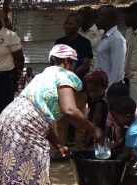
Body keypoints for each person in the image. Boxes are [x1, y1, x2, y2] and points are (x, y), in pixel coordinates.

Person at [0, 44, 103, 185]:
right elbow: (69, 111)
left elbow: (44, 115)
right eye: (72, 64)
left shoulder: (42, 76)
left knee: (28, 170)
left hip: (10, 117)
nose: (73, 68)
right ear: (67, 62)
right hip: (25, 124)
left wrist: (58, 143)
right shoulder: (64, 76)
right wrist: (94, 129)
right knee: (34, 172)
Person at [55, 12, 93, 148]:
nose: (67, 26)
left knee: (79, 118)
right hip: (61, 86)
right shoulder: (59, 42)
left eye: (70, 23)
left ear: (78, 26)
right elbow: (54, 63)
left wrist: (70, 77)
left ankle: (78, 149)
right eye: (66, 23)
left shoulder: (84, 43)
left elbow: (86, 65)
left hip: (78, 87)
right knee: (61, 120)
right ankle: (62, 148)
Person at [95, 5, 127, 85]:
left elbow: (117, 70)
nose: (95, 21)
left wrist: (108, 91)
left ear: (108, 19)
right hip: (101, 88)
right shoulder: (105, 37)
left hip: (109, 89)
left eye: (98, 18)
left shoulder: (116, 38)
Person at [84, 69, 108, 146]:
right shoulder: (96, 102)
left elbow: (95, 123)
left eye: (95, 91)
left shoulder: (99, 104)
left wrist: (87, 141)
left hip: (96, 137)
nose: (92, 94)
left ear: (104, 87)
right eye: (89, 91)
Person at [78, 6, 104, 71]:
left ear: (89, 18)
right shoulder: (76, 31)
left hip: (95, 71)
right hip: (78, 70)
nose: (77, 19)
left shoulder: (100, 32)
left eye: (80, 17)